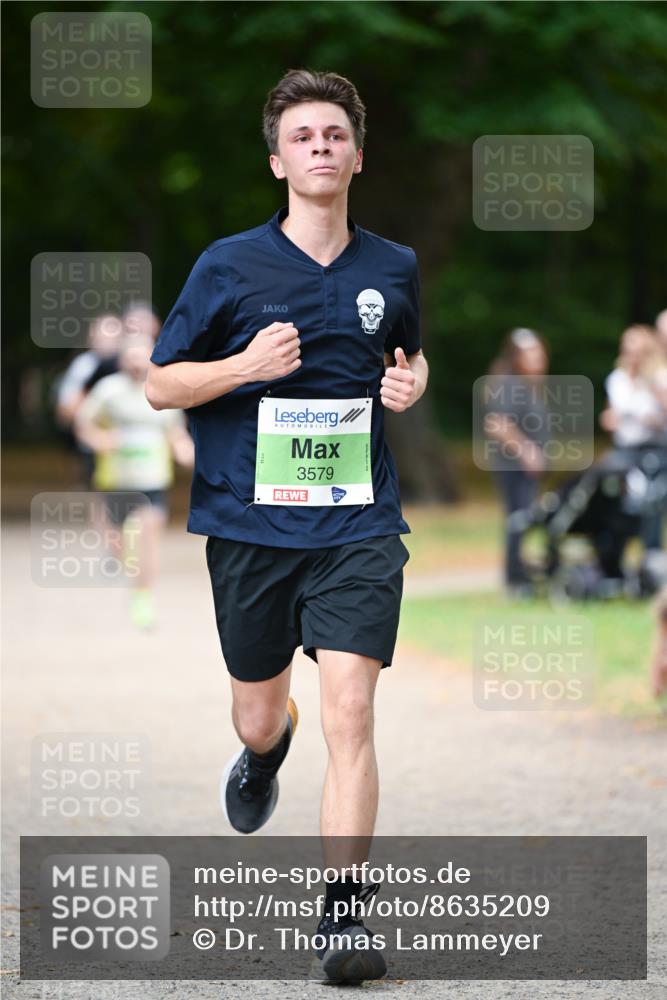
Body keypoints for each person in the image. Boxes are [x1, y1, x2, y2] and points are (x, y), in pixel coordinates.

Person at [146, 69, 428, 983]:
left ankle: (343, 919)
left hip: (356, 524)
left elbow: (406, 357)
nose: (319, 147)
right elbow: (161, 383)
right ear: (278, 161)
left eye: (334, 135)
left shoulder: (393, 266)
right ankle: (268, 746)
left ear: (355, 155)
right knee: (259, 713)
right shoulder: (228, 266)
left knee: (355, 709)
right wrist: (241, 366)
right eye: (302, 136)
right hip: (250, 526)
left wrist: (410, 383)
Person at [75, 335, 194, 628]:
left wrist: (183, 449)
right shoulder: (108, 390)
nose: (137, 362)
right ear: (122, 359)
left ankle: (143, 597)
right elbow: (83, 424)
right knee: (119, 542)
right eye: (132, 356)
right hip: (115, 480)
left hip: (152, 480)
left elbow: (175, 431)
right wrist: (100, 439)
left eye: (143, 355)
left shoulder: (163, 390)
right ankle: (120, 551)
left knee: (148, 537)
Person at [483, 328, 549, 594]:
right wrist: (527, 451)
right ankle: (515, 579)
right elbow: (496, 424)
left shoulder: (527, 386)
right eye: (530, 353)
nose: (537, 359)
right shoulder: (511, 385)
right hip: (514, 467)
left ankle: (520, 574)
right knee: (518, 519)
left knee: (521, 518)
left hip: (522, 469)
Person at [600, 325, 667, 554]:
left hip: (654, 450)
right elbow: (612, 413)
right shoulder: (617, 379)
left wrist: (653, 388)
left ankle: (652, 556)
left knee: (651, 504)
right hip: (625, 450)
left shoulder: (658, 377)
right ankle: (612, 556)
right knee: (614, 500)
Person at [55, 313, 124, 486]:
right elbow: (66, 408)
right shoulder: (84, 365)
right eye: (101, 337)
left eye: (112, 338)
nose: (106, 343)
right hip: (93, 444)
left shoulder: (132, 363)